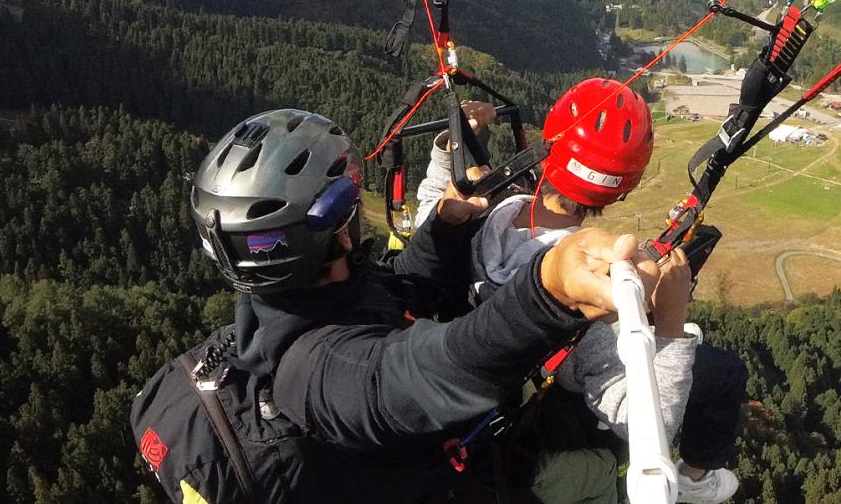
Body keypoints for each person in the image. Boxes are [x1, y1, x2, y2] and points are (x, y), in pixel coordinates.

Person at [130, 108, 658, 504]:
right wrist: (546, 291)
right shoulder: (321, 373)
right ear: (334, 234)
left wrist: (444, 231)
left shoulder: (309, 300)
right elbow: (424, 371)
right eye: (349, 199)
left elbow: (397, 287)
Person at [416, 82, 746, 504]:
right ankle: (696, 482)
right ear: (623, 187)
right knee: (724, 373)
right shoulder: (590, 292)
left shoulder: (480, 212)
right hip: (537, 427)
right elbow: (650, 426)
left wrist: (451, 150)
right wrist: (669, 323)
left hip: (461, 363)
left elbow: (431, 212)